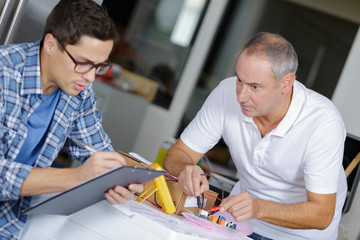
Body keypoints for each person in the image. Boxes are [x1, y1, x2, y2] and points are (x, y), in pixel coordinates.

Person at [163, 32, 347, 240]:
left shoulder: (323, 122)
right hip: (237, 222)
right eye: (240, 80)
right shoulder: (225, 93)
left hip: (300, 236)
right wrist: (185, 169)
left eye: (254, 87)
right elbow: (178, 153)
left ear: (286, 83)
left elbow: (322, 214)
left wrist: (258, 208)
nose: (241, 95)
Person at [0, 0, 144, 238]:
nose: (90, 77)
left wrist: (120, 181)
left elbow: (99, 152)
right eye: (82, 63)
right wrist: (76, 177)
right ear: (50, 44)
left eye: (98, 67)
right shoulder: (4, 74)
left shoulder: (78, 91)